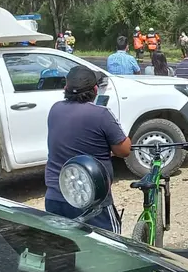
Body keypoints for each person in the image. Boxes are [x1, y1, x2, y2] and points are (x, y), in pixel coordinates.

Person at [44, 67, 130, 232]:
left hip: (55, 197)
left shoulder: (55, 109)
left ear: (65, 89)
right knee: (110, 250)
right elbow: (124, 150)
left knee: (65, 251)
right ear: (96, 90)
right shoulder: (101, 114)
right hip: (91, 200)